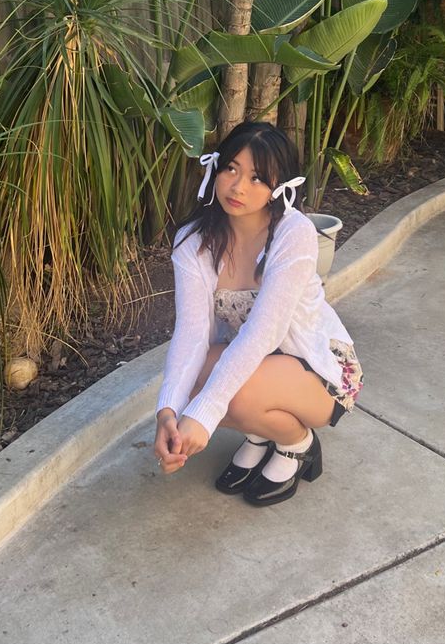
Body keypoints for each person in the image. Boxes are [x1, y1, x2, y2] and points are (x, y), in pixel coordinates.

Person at [154, 121, 363, 507]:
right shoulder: (193, 241)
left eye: (257, 178)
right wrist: (167, 410)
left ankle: (296, 444)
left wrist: (205, 413)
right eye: (231, 169)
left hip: (315, 368)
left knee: (228, 397)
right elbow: (192, 333)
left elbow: (263, 333)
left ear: (279, 186)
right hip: (262, 365)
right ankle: (260, 434)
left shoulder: (292, 233)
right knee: (194, 383)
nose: (238, 187)